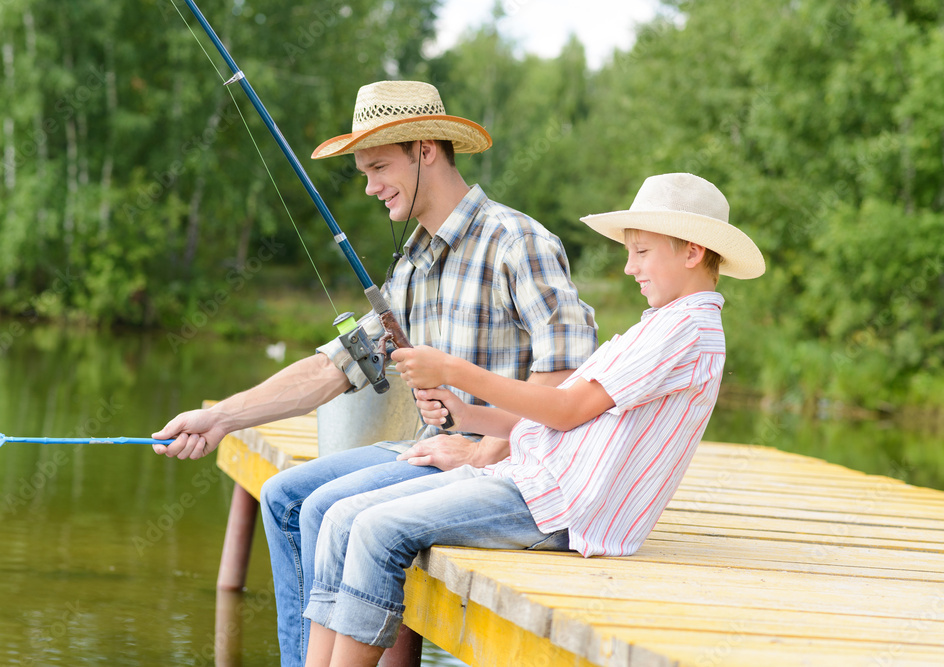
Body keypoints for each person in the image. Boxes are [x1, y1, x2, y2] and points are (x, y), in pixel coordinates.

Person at [151, 80, 598, 667]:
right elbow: (335, 367)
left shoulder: (516, 241)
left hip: (507, 467)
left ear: (426, 150)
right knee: (285, 495)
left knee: (323, 511)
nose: (370, 187)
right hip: (430, 450)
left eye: (380, 166)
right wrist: (220, 418)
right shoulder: (412, 263)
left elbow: (569, 371)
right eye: (363, 172)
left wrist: (485, 449)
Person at [300, 172, 766, 667]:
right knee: (340, 517)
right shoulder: (662, 323)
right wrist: (469, 415)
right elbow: (564, 418)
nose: (629, 267)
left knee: (375, 530)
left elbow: (565, 410)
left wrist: (455, 370)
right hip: (531, 482)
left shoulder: (688, 331)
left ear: (692, 252)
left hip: (560, 507)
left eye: (642, 252)